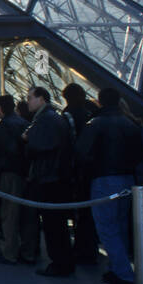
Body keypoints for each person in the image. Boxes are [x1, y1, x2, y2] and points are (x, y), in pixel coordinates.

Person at [76, 87, 143, 284]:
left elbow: (81, 153)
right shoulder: (130, 124)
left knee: (107, 229)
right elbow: (140, 155)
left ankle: (124, 276)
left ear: (99, 101)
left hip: (104, 179)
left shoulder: (96, 124)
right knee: (121, 227)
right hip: (128, 179)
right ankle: (117, 270)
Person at [23, 86, 76, 276]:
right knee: (56, 224)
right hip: (56, 176)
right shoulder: (54, 118)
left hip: (49, 178)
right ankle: (63, 261)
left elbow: (39, 147)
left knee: (53, 224)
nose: (27, 101)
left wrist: (28, 138)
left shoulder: (46, 120)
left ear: (42, 99)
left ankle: (59, 263)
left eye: (30, 98)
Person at [0, 94, 37, 265]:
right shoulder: (24, 123)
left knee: (9, 214)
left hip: (10, 172)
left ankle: (9, 253)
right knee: (27, 215)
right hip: (26, 173)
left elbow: (6, 150)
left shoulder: (2, 125)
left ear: (0, 108)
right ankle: (28, 251)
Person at [62, 83, 98, 265]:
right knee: (87, 212)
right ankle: (89, 248)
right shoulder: (90, 115)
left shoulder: (68, 115)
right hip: (92, 170)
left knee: (79, 211)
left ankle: (81, 248)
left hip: (75, 169)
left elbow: (68, 144)